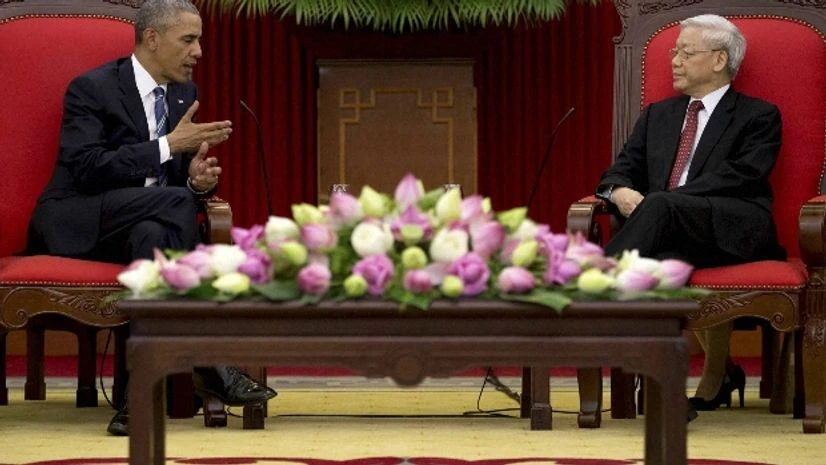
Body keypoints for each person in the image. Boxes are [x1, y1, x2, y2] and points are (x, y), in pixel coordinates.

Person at [26, 0, 276, 436]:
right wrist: (167, 148)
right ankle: (208, 360)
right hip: (78, 220)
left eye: (200, 40)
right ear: (152, 39)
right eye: (189, 40)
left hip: (141, 226)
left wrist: (196, 182)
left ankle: (135, 399)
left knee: (153, 233)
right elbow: (85, 167)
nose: (199, 51)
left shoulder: (184, 94)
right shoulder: (92, 88)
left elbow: (173, 182)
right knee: (175, 207)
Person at [595, 14, 785, 419]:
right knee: (660, 264)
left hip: (732, 228)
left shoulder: (758, 115)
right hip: (667, 233)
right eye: (673, 52)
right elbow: (618, 172)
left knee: (661, 207)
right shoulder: (658, 115)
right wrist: (621, 192)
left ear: (719, 60)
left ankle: (591, 288)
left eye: (685, 52)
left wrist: (660, 203)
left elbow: (742, 175)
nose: (675, 60)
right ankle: (668, 394)